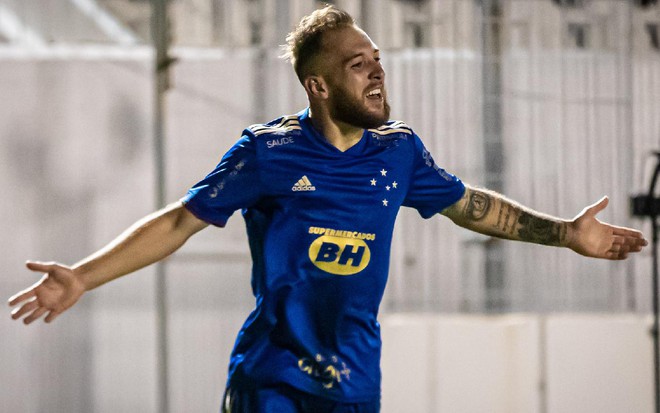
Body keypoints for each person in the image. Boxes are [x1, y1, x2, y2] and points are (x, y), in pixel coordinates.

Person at [8, 5, 648, 413]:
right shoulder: (267, 152)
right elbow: (180, 220)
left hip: (355, 387)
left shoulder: (400, 154)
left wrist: (565, 233)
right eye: (356, 65)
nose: (376, 75)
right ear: (317, 85)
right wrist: (84, 277)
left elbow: (472, 207)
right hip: (273, 380)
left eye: (377, 63)